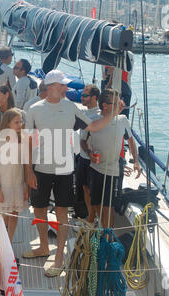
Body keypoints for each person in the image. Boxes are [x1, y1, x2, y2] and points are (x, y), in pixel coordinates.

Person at [23, 70, 122, 277]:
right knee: (38, 209)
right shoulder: (34, 109)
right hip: (40, 169)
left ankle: (59, 257)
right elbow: (27, 142)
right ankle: (43, 247)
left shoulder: (71, 108)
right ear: (51, 87)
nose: (67, 88)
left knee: (61, 212)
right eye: (63, 85)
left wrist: (112, 114)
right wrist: (28, 172)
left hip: (65, 169)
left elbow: (93, 126)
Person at [83, 89, 141, 229]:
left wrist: (136, 162)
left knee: (108, 206)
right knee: (96, 202)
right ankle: (100, 227)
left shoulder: (122, 120)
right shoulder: (92, 121)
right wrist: (89, 153)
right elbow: (83, 141)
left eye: (119, 102)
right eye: (115, 103)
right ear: (105, 105)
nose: (120, 105)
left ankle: (107, 236)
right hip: (95, 169)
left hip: (113, 171)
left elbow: (131, 141)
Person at [0, 109, 29, 242]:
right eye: (16, 122)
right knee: (2, 218)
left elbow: (24, 167)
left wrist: (25, 188)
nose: (20, 125)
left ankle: (9, 244)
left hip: (18, 185)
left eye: (21, 121)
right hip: (4, 187)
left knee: (14, 216)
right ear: (7, 124)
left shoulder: (22, 142)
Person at [77, 84, 101, 224]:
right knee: (85, 189)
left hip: (92, 159)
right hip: (82, 157)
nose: (82, 98)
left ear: (94, 98)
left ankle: (92, 220)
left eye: (85, 95)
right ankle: (91, 219)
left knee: (92, 192)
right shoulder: (84, 113)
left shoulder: (98, 116)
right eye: (81, 95)